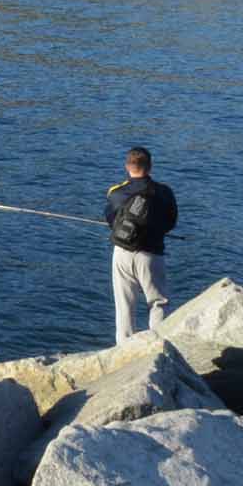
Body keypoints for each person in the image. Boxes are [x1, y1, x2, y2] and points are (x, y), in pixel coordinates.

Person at [105, 146, 178, 342]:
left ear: (127, 166)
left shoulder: (115, 193)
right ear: (150, 166)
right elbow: (171, 222)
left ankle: (123, 347)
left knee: (124, 303)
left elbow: (110, 220)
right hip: (152, 254)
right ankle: (158, 345)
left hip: (122, 253)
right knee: (158, 302)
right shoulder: (164, 192)